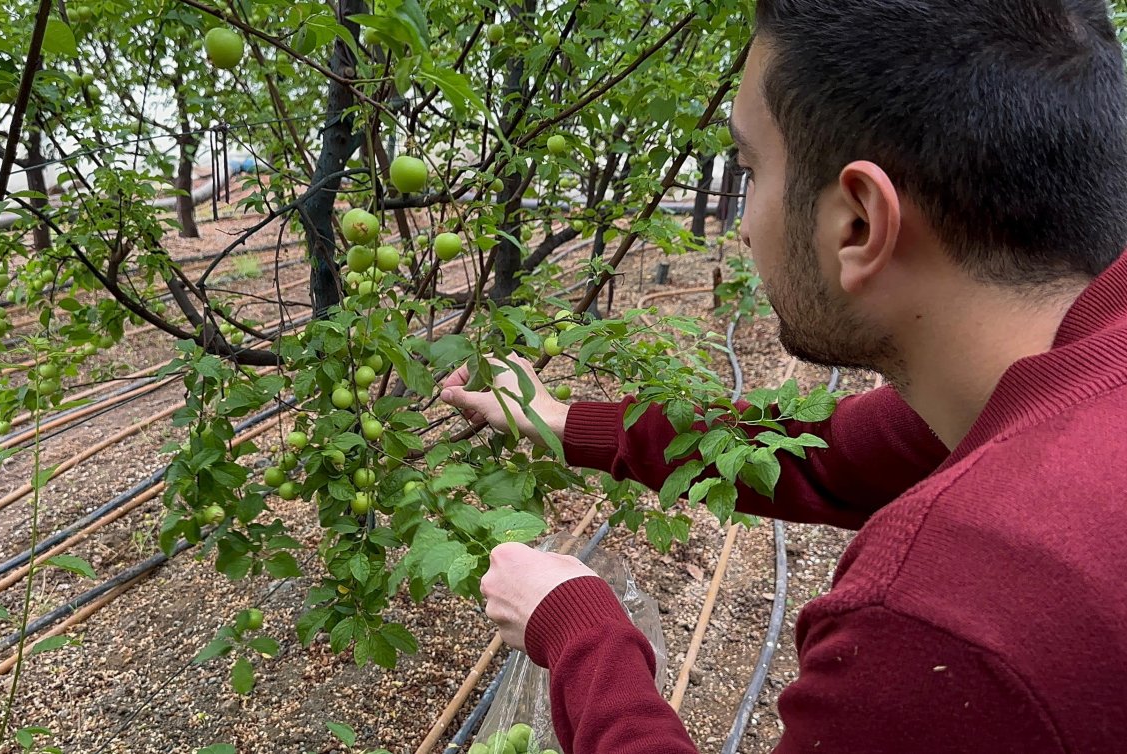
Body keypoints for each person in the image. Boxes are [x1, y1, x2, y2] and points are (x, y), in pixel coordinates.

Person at [438, 1, 1127, 752]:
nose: (739, 224)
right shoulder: (1054, 381)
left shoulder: (947, 617)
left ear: (858, 223)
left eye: (749, 170)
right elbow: (819, 453)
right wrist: (561, 420)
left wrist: (582, 629)